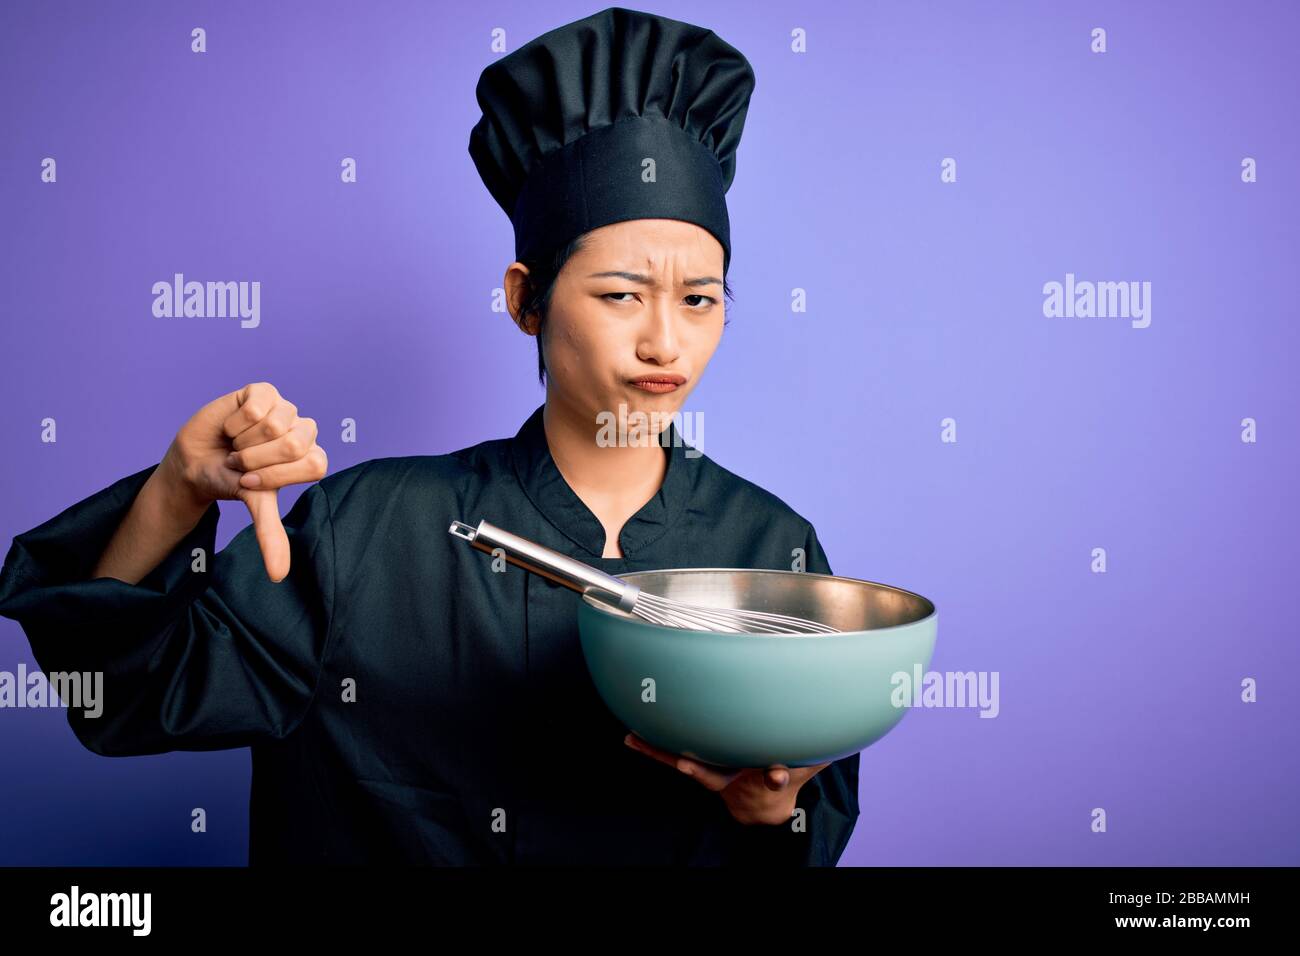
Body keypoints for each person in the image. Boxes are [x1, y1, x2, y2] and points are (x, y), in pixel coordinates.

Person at [0, 6, 860, 865]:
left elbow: (806, 823)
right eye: (621, 295)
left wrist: (771, 810)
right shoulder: (364, 529)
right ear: (525, 299)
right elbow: (125, 697)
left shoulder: (772, 552)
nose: (665, 342)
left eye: (700, 300)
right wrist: (175, 489)